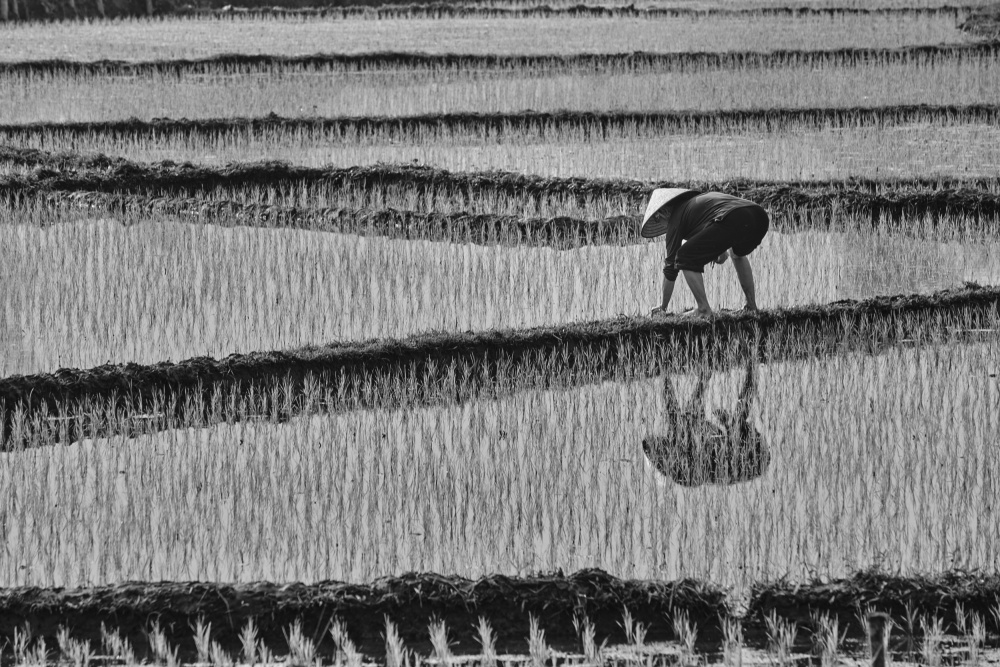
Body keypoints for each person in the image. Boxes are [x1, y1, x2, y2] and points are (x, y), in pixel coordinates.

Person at [640, 189, 769, 318]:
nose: (660, 224)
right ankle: (751, 306)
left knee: (685, 257)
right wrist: (719, 251)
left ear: (662, 213)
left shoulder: (675, 219)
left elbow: (670, 267)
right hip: (759, 216)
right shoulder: (696, 206)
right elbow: (718, 234)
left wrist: (662, 307)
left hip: (732, 218)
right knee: (737, 254)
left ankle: (703, 309)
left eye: (657, 219)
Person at [642, 361, 768, 487]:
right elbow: (678, 414)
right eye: (659, 441)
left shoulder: (678, 450)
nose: (660, 437)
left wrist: (665, 373)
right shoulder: (686, 472)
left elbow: (674, 409)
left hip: (726, 454)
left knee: (688, 421)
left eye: (658, 440)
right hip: (756, 459)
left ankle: (708, 371)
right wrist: (728, 425)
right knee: (736, 423)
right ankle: (752, 370)